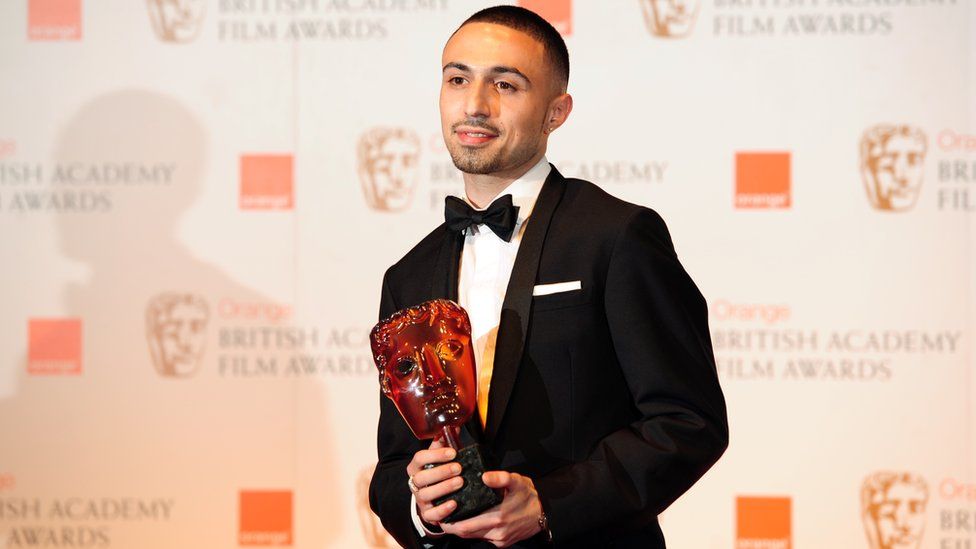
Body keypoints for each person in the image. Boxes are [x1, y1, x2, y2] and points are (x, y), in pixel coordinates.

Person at [369, 6, 728, 548]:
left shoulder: (617, 236)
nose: (475, 104)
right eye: (458, 79)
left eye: (506, 85)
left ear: (556, 112)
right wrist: (419, 504)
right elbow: (395, 461)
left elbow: (687, 421)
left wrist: (551, 505)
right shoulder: (408, 275)